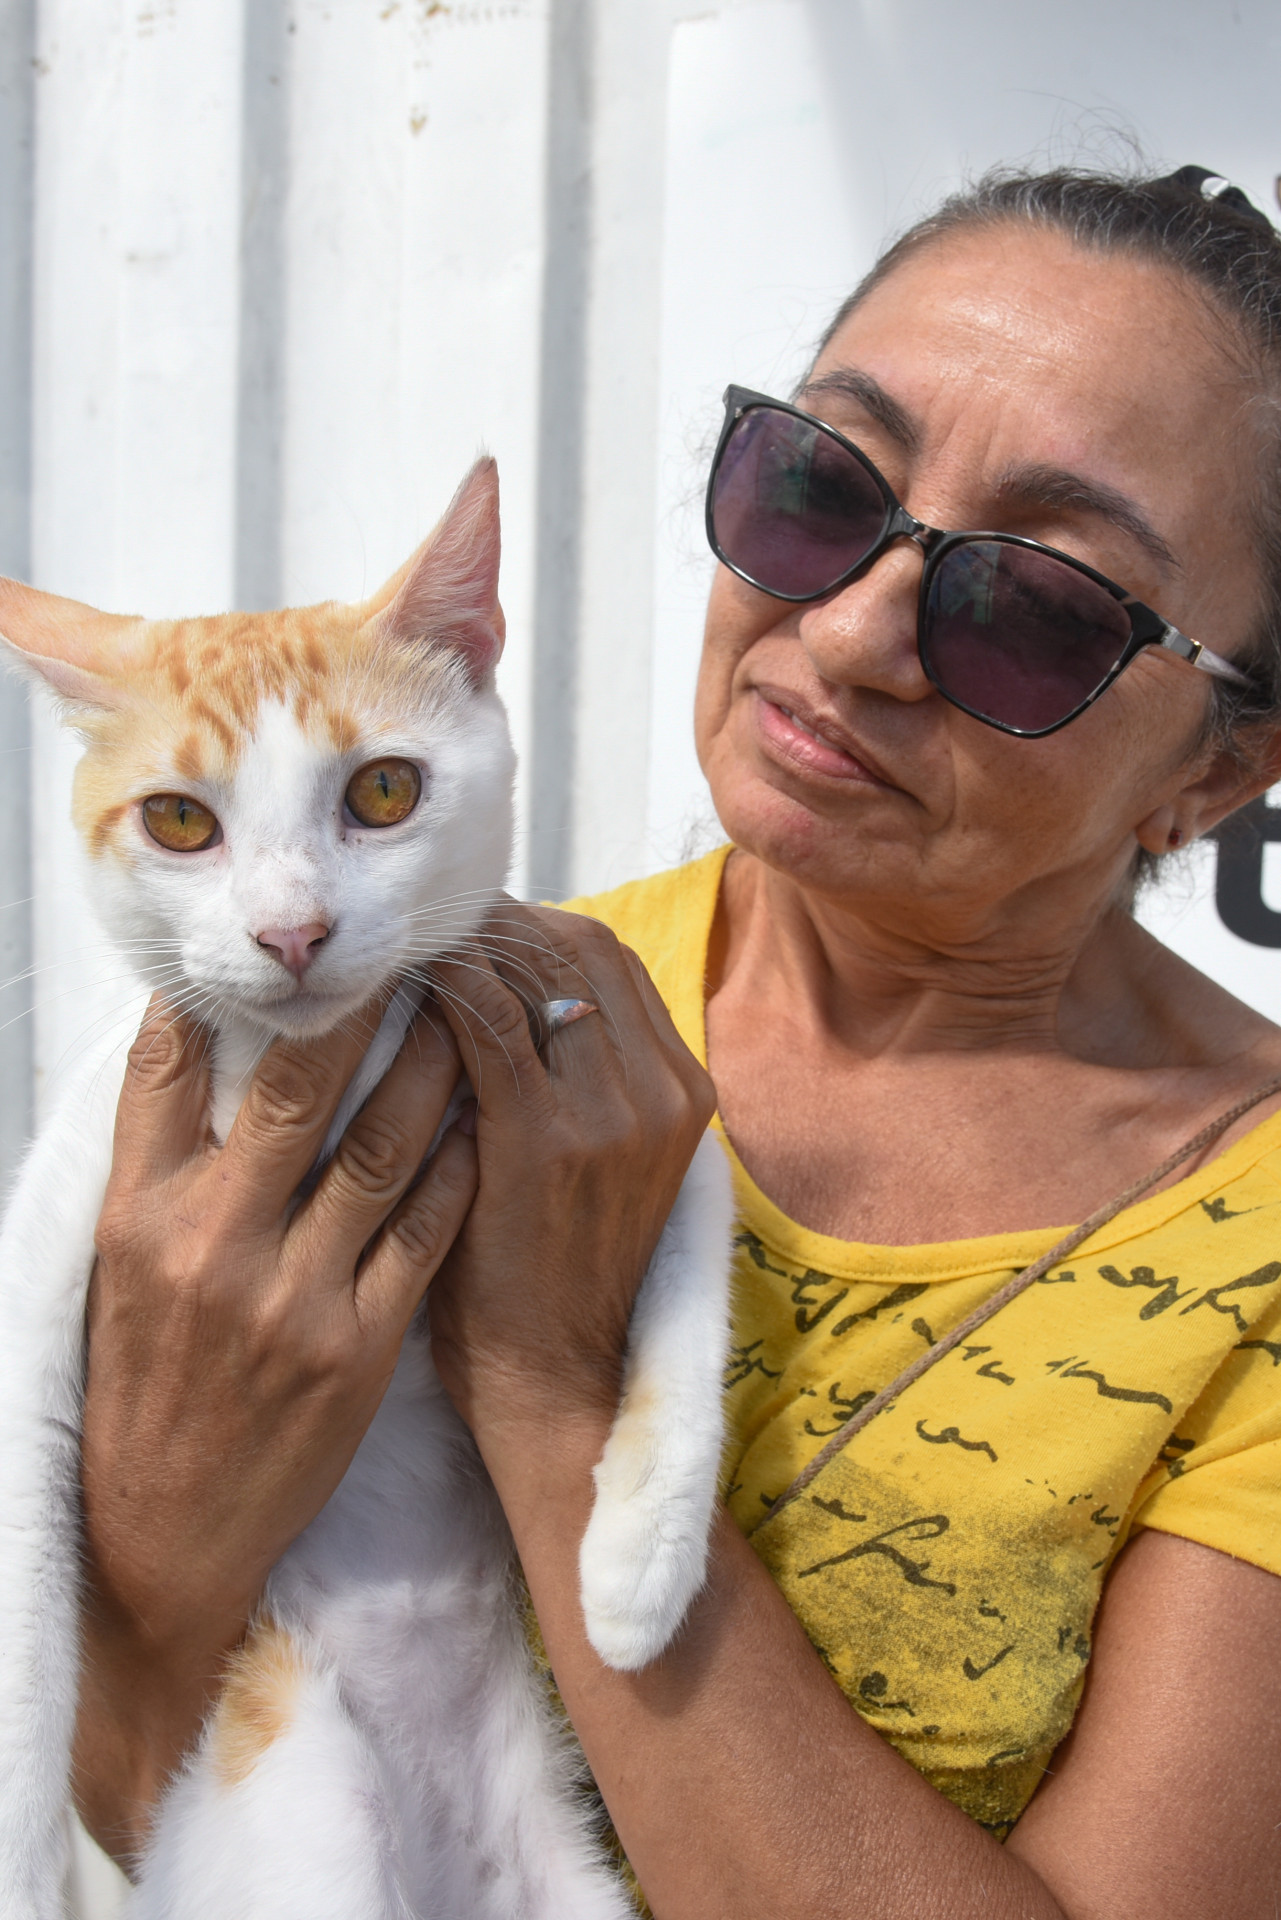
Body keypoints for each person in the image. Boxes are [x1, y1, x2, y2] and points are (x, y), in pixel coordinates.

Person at [76, 165, 1281, 1917]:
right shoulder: (415, 1005)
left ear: (1221, 773)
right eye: (817, 489)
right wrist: (165, 1532)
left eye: (1035, 606)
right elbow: (131, 1798)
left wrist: (556, 1397)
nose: (851, 632)